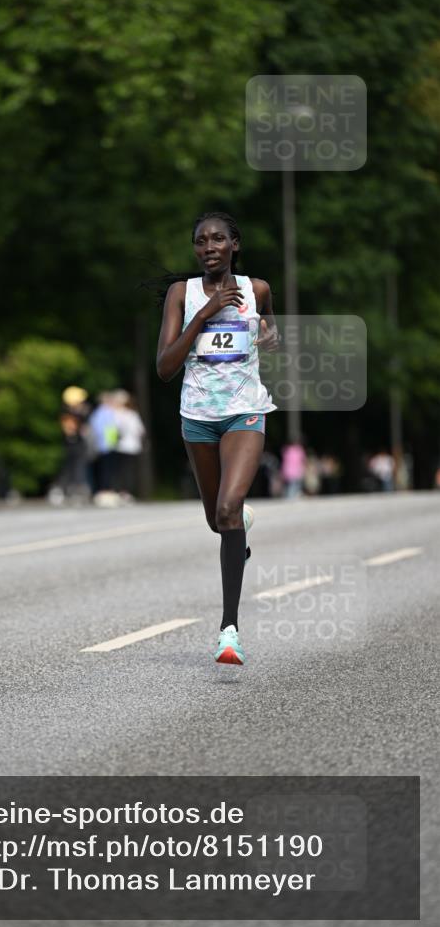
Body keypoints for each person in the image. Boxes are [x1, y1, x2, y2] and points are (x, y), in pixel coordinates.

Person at [155, 210, 279, 667]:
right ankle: (237, 523)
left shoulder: (257, 289)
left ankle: (230, 631)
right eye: (201, 241)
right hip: (198, 417)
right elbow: (166, 367)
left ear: (234, 245)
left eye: (218, 239)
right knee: (218, 520)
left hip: (245, 412)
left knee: (228, 509)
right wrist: (205, 315)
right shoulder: (180, 294)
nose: (209, 247)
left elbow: (269, 330)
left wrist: (269, 338)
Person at [111, 389, 146, 502]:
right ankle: (125, 492)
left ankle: (119, 491)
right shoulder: (132, 414)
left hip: (119, 446)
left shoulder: (115, 414)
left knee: (119, 470)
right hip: (131, 447)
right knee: (128, 470)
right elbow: (140, 431)